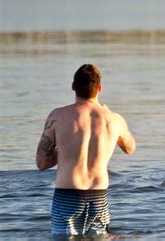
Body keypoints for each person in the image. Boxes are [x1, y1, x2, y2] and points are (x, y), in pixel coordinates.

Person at [35, 64, 136, 236]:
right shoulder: (113, 119)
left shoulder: (57, 116)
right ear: (100, 88)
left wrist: (61, 152)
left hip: (67, 196)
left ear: (73, 86)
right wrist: (117, 126)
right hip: (98, 195)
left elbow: (42, 163)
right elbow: (130, 148)